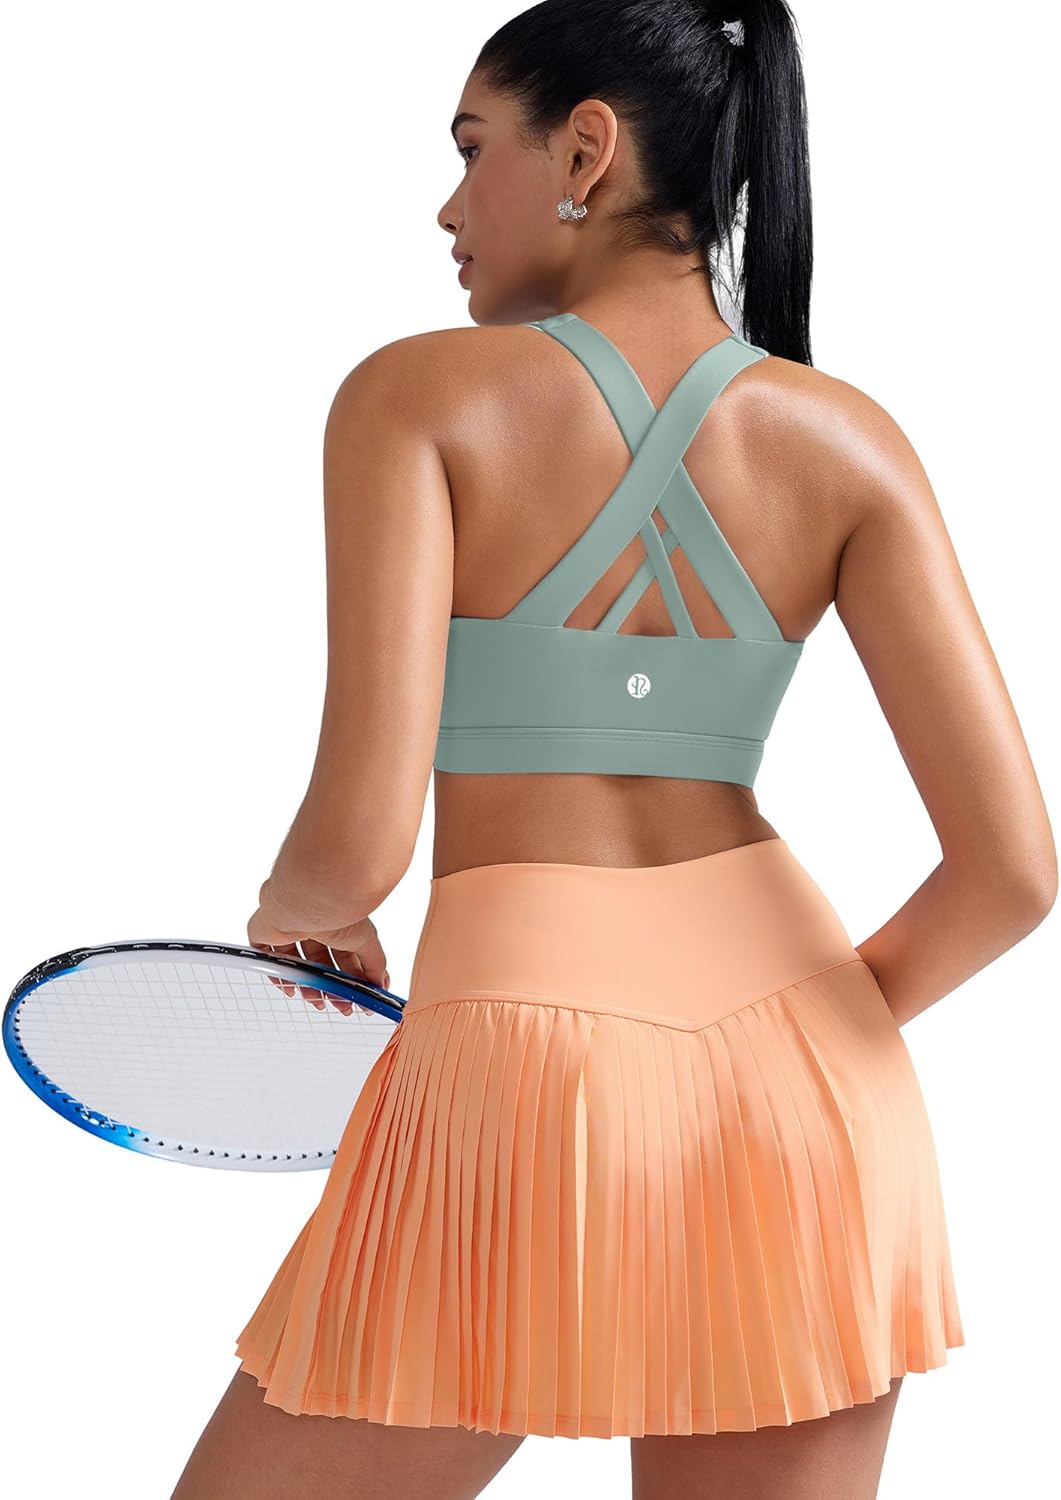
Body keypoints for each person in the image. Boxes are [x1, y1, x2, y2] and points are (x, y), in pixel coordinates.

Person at [171, 2, 1057, 1496]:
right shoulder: (847, 441)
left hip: (517, 1075)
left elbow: (358, 841)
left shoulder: (417, 398)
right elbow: (1014, 873)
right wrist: (791, 1038)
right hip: (809, 1103)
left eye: (473, 149)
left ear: (587, 148)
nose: (449, 206)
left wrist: (298, 911)